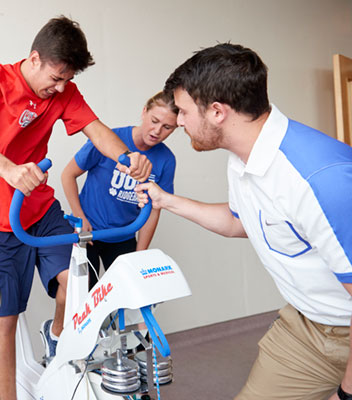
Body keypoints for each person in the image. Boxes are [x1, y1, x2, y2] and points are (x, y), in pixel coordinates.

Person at [135, 43, 352, 400]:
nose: (180, 121)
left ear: (217, 111)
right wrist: (166, 201)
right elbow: (241, 221)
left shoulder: (320, 179)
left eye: (185, 111)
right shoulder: (243, 159)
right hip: (305, 327)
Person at [0, 15, 152, 399]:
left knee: (76, 281)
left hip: (42, 213)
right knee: (6, 323)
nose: (61, 87)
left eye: (68, 80)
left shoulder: (65, 92)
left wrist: (128, 159)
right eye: (56, 77)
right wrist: (10, 170)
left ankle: (57, 333)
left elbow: (97, 132)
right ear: (34, 59)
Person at [62, 92, 178, 289]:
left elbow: (153, 210)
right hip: (89, 232)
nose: (157, 131)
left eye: (167, 127)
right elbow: (68, 175)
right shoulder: (109, 140)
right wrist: (81, 218)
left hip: (123, 236)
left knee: (128, 291)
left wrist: (140, 253)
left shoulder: (166, 159)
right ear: (144, 112)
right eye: (154, 121)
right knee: (84, 294)